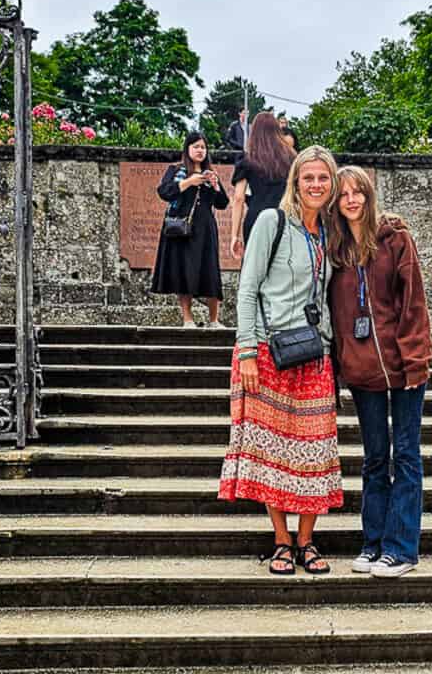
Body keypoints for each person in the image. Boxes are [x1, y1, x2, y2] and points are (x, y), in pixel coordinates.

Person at [219, 145, 342, 576]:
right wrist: (248, 351)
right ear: (295, 181)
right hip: (269, 352)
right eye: (307, 177)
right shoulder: (271, 222)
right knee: (272, 452)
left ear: (331, 184)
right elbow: (247, 290)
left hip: (315, 355)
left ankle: (307, 540)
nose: (315, 185)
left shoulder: (330, 232)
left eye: (322, 178)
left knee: (313, 452)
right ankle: (282, 542)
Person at [328, 165, 432, 578]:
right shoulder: (335, 252)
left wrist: (414, 360)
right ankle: (374, 543)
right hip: (361, 369)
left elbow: (414, 304)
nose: (351, 199)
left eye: (359, 192)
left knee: (405, 454)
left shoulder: (395, 241)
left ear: (370, 197)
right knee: (374, 458)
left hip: (403, 366)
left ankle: (402, 548)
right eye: (344, 194)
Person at [150, 132, 229, 328]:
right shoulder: (176, 170)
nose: (200, 150)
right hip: (182, 229)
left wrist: (215, 185)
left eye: (203, 147)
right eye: (196, 147)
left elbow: (222, 203)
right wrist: (189, 182)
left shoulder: (210, 173)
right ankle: (187, 318)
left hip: (205, 229)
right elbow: (164, 192)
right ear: (187, 149)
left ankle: (213, 320)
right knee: (183, 271)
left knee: (210, 271)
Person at [229, 112, 294, 261]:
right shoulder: (291, 158)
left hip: (256, 218)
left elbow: (238, 198)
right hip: (284, 218)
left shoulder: (247, 159)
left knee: (253, 269)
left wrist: (234, 236)